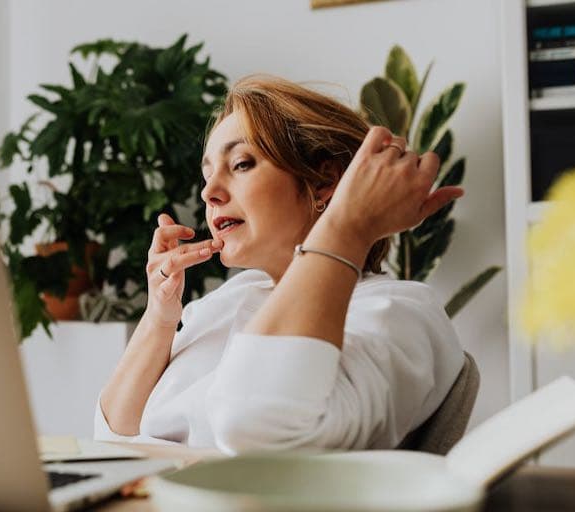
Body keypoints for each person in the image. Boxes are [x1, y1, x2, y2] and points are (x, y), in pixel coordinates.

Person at [95, 74, 466, 454]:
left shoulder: (399, 312)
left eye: (240, 164)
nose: (209, 191)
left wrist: (347, 225)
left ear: (324, 182)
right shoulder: (226, 302)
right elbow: (114, 435)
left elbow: (257, 428)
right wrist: (160, 315)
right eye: (207, 175)